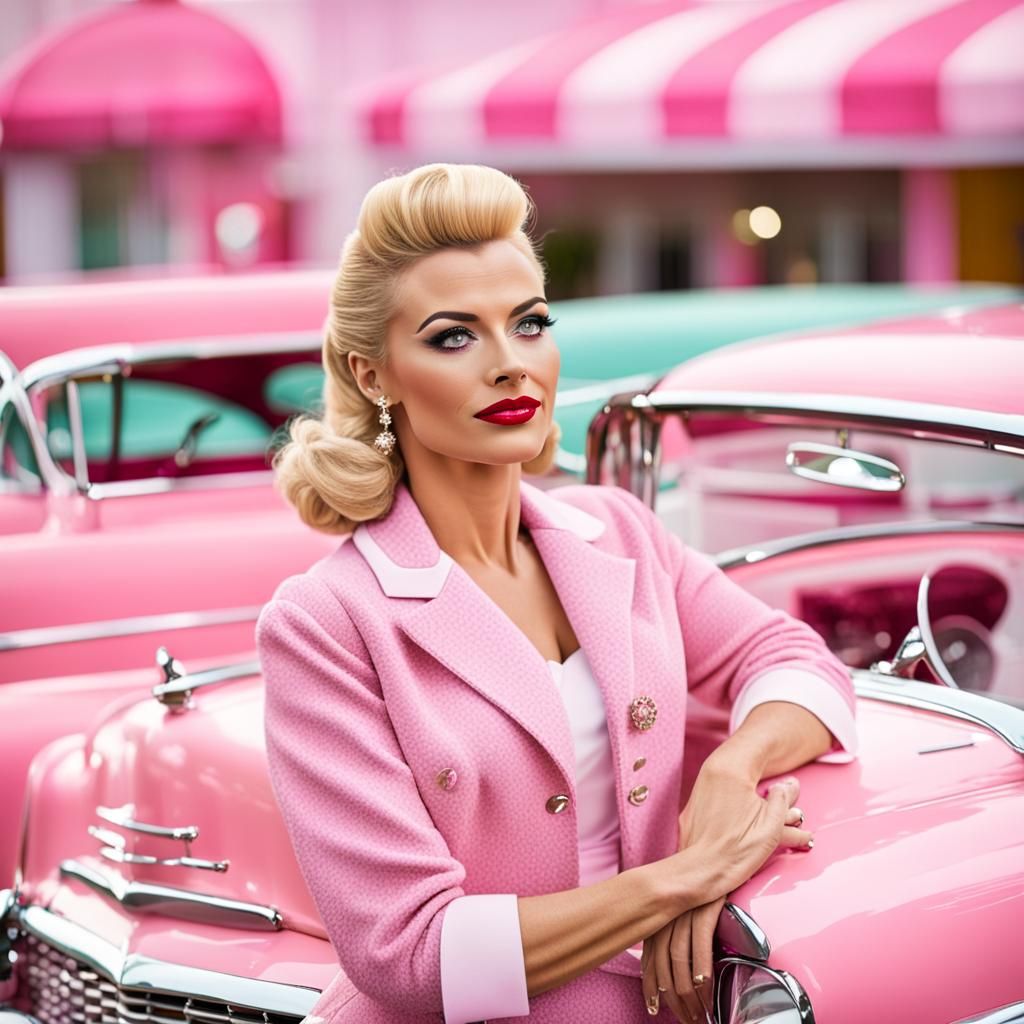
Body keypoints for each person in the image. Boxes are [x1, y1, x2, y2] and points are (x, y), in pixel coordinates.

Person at [255, 163, 857, 1024]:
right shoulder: (326, 623)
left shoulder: (616, 531)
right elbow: (409, 954)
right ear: (374, 373)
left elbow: (796, 660)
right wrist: (685, 880)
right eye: (454, 337)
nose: (511, 365)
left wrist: (736, 766)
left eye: (529, 323)